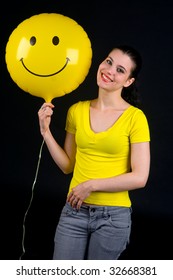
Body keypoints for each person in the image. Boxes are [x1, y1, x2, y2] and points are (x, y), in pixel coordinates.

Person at [38, 45, 150, 260]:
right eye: (108, 62)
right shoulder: (77, 110)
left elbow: (140, 177)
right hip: (74, 212)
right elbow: (67, 166)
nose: (109, 70)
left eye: (120, 70)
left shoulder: (135, 118)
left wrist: (91, 185)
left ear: (128, 81)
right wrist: (45, 132)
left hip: (113, 217)